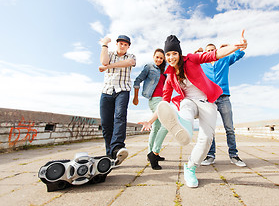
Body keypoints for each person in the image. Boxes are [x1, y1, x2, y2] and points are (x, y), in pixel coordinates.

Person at [138, 32, 247, 187]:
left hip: (207, 102)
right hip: (188, 102)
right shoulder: (169, 77)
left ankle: (190, 167)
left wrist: (235, 46)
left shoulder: (192, 59)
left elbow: (214, 55)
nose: (170, 58)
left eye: (174, 53)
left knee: (207, 138)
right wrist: (150, 121)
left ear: (179, 53)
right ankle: (185, 130)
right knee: (186, 107)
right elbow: (164, 103)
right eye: (168, 54)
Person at [199, 32, 247, 167]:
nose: (210, 52)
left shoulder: (224, 59)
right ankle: (210, 155)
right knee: (210, 129)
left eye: (212, 50)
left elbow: (240, 52)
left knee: (229, 128)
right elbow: (187, 65)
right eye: (207, 51)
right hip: (209, 100)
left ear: (216, 51)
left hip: (224, 98)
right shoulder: (202, 65)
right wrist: (196, 53)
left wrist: (239, 44)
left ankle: (234, 155)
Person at [99, 35, 136, 166]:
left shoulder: (131, 56)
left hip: (122, 90)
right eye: (120, 43)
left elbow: (129, 63)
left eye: (125, 44)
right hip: (107, 91)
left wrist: (108, 67)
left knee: (120, 117)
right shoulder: (109, 54)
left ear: (128, 47)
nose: (123, 46)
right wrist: (104, 44)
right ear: (117, 44)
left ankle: (117, 147)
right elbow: (104, 61)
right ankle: (110, 155)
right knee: (106, 123)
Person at [133, 48, 168, 170]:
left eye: (161, 58)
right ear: (153, 57)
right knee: (166, 125)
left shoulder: (165, 70)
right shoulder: (149, 67)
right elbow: (138, 79)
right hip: (154, 100)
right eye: (157, 57)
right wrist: (136, 96)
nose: (159, 59)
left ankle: (150, 153)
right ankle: (154, 153)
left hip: (162, 100)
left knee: (157, 127)